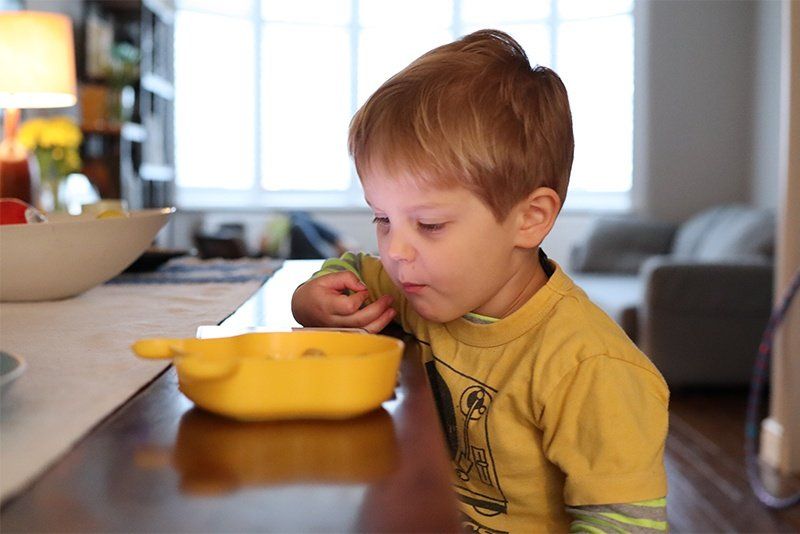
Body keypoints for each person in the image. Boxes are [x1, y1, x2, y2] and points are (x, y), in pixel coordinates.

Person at [291, 29, 668, 533]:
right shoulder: (420, 286)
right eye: (383, 218)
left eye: (429, 225)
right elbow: (352, 271)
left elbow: (626, 525)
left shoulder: (590, 367)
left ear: (529, 218)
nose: (396, 251)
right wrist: (311, 301)